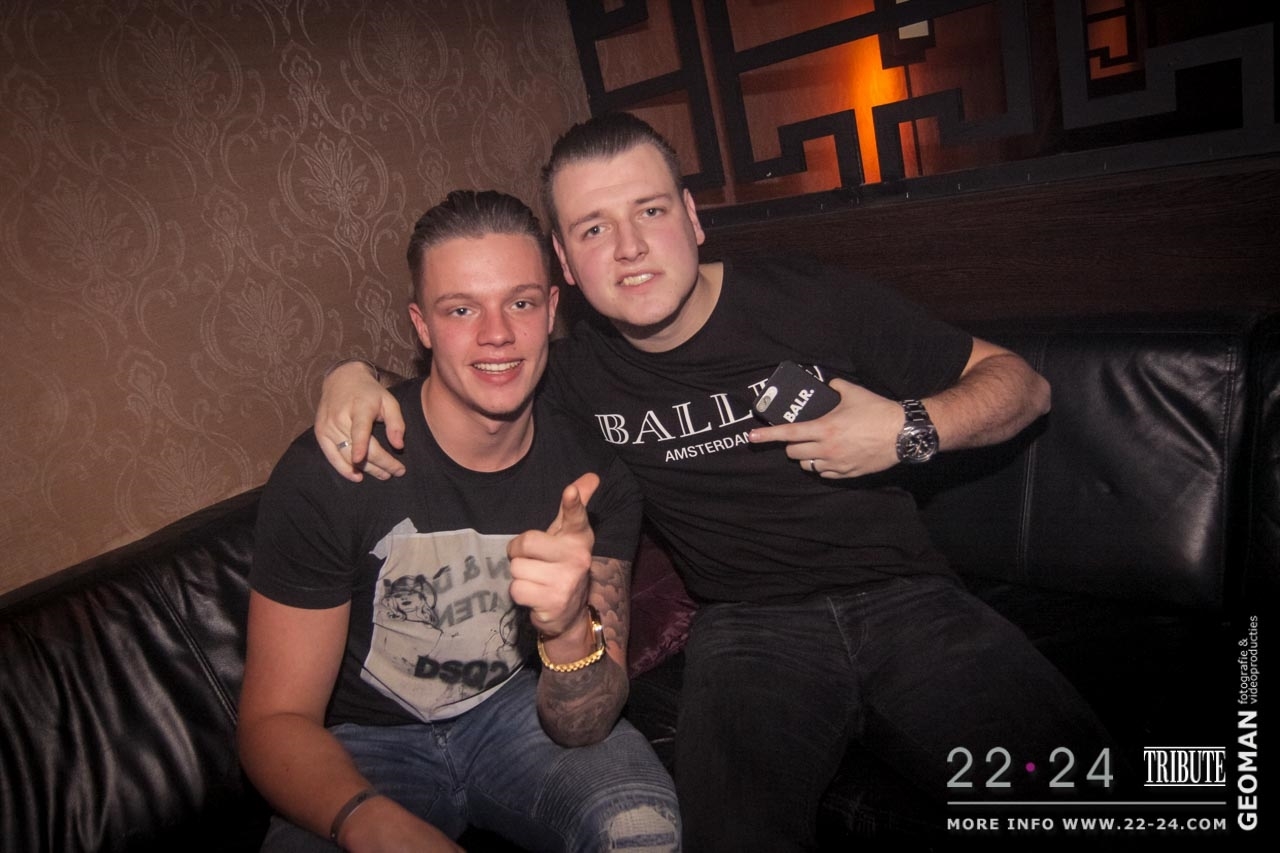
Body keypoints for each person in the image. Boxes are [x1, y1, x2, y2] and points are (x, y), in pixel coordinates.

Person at [316, 115, 1122, 851]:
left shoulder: (809, 299)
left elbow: (1023, 386)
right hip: (749, 630)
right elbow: (461, 382)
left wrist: (906, 429)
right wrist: (354, 375)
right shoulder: (571, 375)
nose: (629, 247)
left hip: (907, 598)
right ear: (566, 262)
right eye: (595, 228)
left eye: (650, 211)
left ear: (693, 217)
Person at [238, 189, 681, 853]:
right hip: (365, 745)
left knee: (642, 827)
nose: (496, 333)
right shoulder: (334, 472)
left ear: (551, 310)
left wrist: (566, 630)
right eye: (461, 309)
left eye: (520, 303)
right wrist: (370, 821)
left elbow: (587, 723)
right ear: (421, 325)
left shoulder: (594, 476)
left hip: (515, 709)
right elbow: (274, 719)